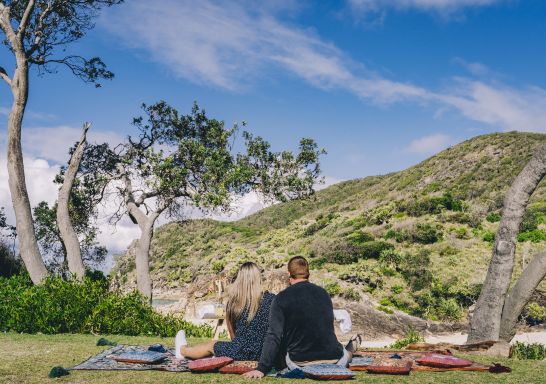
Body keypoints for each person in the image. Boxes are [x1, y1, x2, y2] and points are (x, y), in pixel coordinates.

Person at [243, 256, 361, 379]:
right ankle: (350, 348)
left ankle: (348, 349)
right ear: (308, 274)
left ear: (289, 274)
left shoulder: (281, 298)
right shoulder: (323, 293)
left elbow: (274, 335)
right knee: (345, 353)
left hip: (300, 364)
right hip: (335, 360)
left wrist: (261, 368)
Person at [176, 262, 275, 361]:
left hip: (240, 352)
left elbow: (233, 337)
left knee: (212, 345)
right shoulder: (271, 300)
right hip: (264, 353)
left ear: (240, 279)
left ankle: (182, 350)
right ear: (258, 278)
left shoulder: (234, 303)